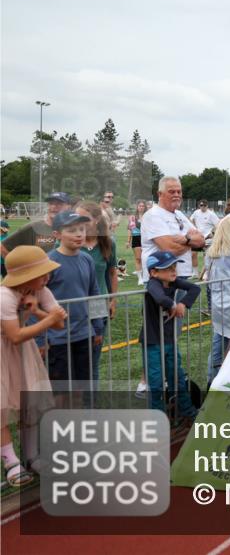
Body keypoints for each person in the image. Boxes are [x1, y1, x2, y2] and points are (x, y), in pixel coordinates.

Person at [1, 246, 66, 488]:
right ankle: (11, 462)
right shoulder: (5, 296)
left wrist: (38, 311)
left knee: (29, 403)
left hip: (21, 352)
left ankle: (32, 457)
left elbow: (60, 323)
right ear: (26, 276)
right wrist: (48, 318)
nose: (47, 277)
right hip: (4, 349)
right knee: (1, 409)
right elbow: (14, 334)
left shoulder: (42, 290)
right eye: (42, 272)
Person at [45, 210, 104, 387]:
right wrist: (41, 338)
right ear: (57, 235)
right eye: (71, 230)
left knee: (81, 386)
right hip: (57, 339)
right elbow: (38, 302)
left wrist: (98, 327)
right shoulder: (48, 262)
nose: (79, 234)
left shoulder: (86, 259)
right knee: (61, 390)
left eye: (81, 229)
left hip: (84, 335)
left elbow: (94, 292)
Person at [143, 251, 201, 424]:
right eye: (167, 268)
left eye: (174, 266)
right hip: (153, 341)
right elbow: (159, 297)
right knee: (156, 383)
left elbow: (195, 288)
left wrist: (183, 303)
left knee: (177, 377)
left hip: (170, 340)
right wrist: (173, 305)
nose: (173, 271)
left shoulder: (174, 282)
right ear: (154, 272)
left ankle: (188, 410)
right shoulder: (153, 283)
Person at [75, 201, 118, 385]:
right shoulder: (72, 241)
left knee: (93, 361)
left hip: (98, 308)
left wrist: (113, 300)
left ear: (96, 219)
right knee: (72, 359)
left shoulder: (108, 243)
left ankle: (90, 404)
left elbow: (112, 272)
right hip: (74, 307)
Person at [140, 177, 205, 284]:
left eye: (179, 192)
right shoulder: (153, 215)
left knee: (182, 302)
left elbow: (201, 240)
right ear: (160, 194)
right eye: (172, 192)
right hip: (160, 278)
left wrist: (185, 239)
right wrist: (190, 242)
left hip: (181, 275)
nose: (177, 195)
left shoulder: (179, 215)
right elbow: (170, 249)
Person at [204, 217, 230, 387]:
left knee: (217, 346)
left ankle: (212, 382)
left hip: (219, 307)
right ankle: (228, 384)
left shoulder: (211, 254)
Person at [1, 192, 74, 258]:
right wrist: (20, 269)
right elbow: (3, 247)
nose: (54, 206)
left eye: (59, 204)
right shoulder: (33, 227)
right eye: (51, 203)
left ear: (69, 207)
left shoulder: (75, 228)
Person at [189, 200, 221, 272]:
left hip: (207, 238)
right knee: (193, 254)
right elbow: (191, 219)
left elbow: (218, 224)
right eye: (201, 205)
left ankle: (205, 273)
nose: (202, 207)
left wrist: (212, 233)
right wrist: (194, 228)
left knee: (206, 256)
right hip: (197, 237)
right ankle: (195, 273)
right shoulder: (196, 212)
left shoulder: (211, 214)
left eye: (204, 206)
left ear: (207, 206)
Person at [128, 200, 147, 275]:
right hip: (136, 238)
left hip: (146, 238)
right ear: (137, 207)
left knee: (145, 258)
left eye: (143, 206)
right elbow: (130, 229)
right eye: (140, 206)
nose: (141, 207)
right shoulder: (132, 217)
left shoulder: (148, 216)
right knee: (138, 258)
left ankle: (145, 273)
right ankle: (140, 278)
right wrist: (128, 241)